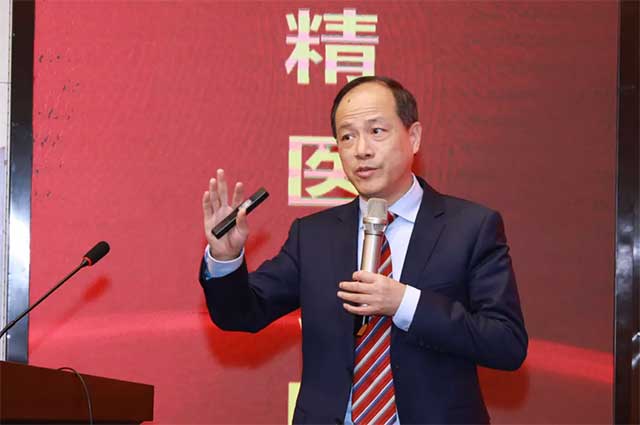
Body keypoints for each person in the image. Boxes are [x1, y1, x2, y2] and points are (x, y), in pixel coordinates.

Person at [199, 76, 527, 424]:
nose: (361, 150)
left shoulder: (470, 227)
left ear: (414, 137)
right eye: (347, 137)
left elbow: (505, 343)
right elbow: (240, 314)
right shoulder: (314, 236)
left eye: (376, 131)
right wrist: (225, 258)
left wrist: (404, 303)